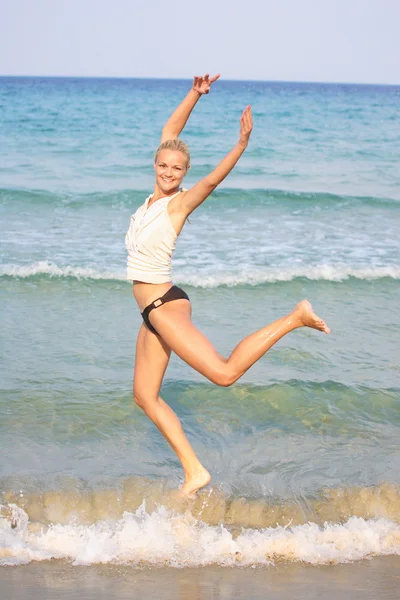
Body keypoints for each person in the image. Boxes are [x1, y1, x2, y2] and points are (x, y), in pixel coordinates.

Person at [125, 74, 330, 497]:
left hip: (164, 304)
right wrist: (195, 94)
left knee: (223, 373)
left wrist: (239, 145)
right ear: (155, 165)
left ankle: (295, 317)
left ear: (184, 173)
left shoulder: (179, 204)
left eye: (176, 168)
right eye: (163, 165)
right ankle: (195, 472)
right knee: (145, 395)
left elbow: (211, 182)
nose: (168, 171)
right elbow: (170, 133)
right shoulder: (153, 197)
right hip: (150, 313)